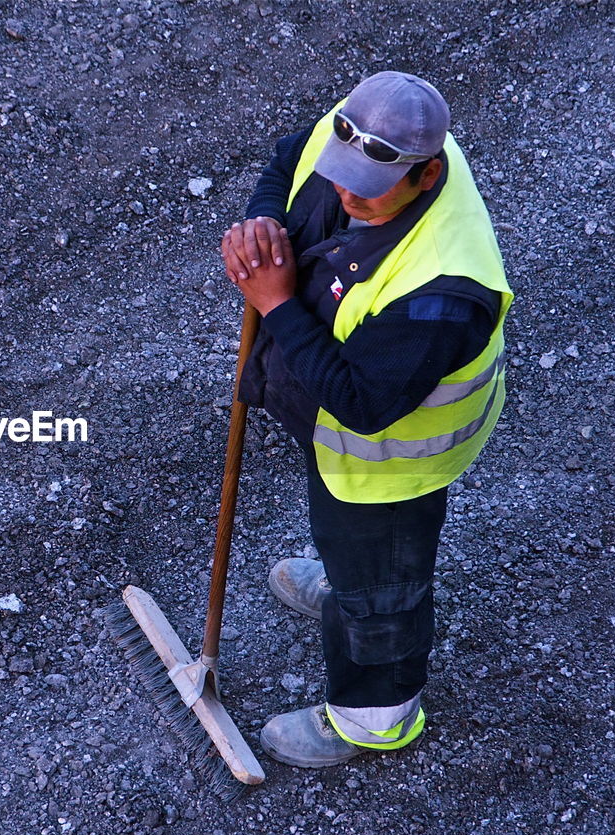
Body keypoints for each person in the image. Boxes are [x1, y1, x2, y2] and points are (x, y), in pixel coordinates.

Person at [219, 71, 513, 767]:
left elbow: (363, 405)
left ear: (425, 173)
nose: (347, 194)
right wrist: (265, 219)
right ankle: (342, 579)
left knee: (384, 594)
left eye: (368, 191)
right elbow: (289, 160)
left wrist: (277, 302)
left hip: (390, 464)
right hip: (339, 449)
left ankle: (374, 718)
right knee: (343, 537)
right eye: (342, 174)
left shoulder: (445, 289)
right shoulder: (364, 134)